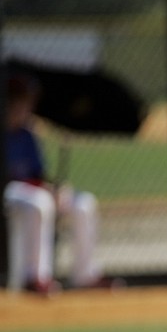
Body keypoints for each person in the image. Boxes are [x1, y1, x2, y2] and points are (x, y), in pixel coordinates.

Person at [3, 74, 106, 294]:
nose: (24, 108)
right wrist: (42, 189)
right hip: (9, 192)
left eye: (26, 103)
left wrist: (55, 188)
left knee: (83, 203)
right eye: (18, 102)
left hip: (31, 190)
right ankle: (35, 277)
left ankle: (85, 274)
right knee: (40, 202)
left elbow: (38, 174)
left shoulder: (27, 135)